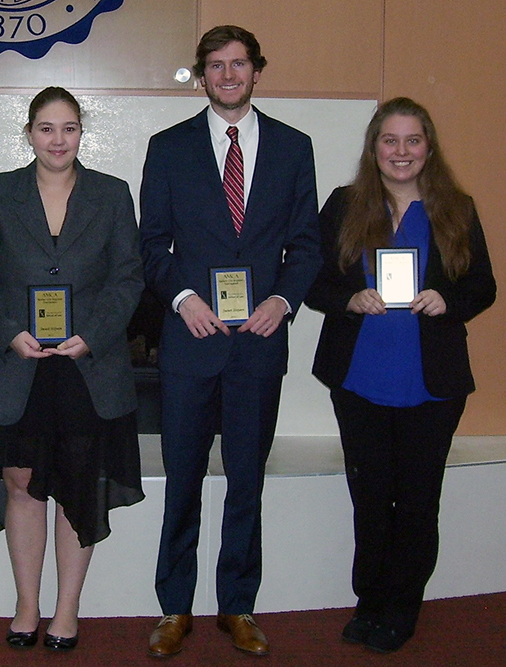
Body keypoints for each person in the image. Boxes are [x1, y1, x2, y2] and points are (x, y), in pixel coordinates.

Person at [140, 25, 321, 657]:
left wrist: (283, 299)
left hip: (258, 343)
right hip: (191, 341)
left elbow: (307, 245)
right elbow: (150, 246)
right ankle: (174, 609)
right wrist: (184, 299)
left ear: (256, 71)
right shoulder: (168, 148)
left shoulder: (294, 148)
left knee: (247, 478)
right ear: (200, 74)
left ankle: (238, 605)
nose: (227, 75)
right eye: (215, 65)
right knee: (183, 477)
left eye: (238, 64)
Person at [0, 86, 145, 652]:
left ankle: (67, 610)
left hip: (86, 365)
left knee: (77, 485)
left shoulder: (112, 194)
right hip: (17, 364)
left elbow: (129, 277)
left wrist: (94, 335)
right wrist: (8, 332)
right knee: (21, 484)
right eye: (45, 128)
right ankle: (26, 604)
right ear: (29, 132)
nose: (57, 139)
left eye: (68, 128)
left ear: (81, 132)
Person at [304, 97, 497, 653]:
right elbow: (312, 281)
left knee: (416, 501)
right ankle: (369, 599)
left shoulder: (456, 208)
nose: (401, 152)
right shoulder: (344, 205)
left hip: (430, 384)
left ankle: (402, 607)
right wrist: (349, 298)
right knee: (369, 496)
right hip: (359, 379)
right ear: (374, 147)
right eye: (390, 140)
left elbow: (483, 285)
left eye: (413, 141)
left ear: (429, 148)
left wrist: (447, 299)